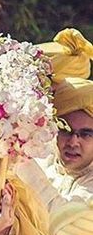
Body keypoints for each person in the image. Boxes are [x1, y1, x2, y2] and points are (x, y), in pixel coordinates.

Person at [17, 76, 93, 211]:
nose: (73, 142)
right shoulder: (42, 155)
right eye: (65, 130)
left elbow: (65, 218)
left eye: (86, 134)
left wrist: (22, 163)